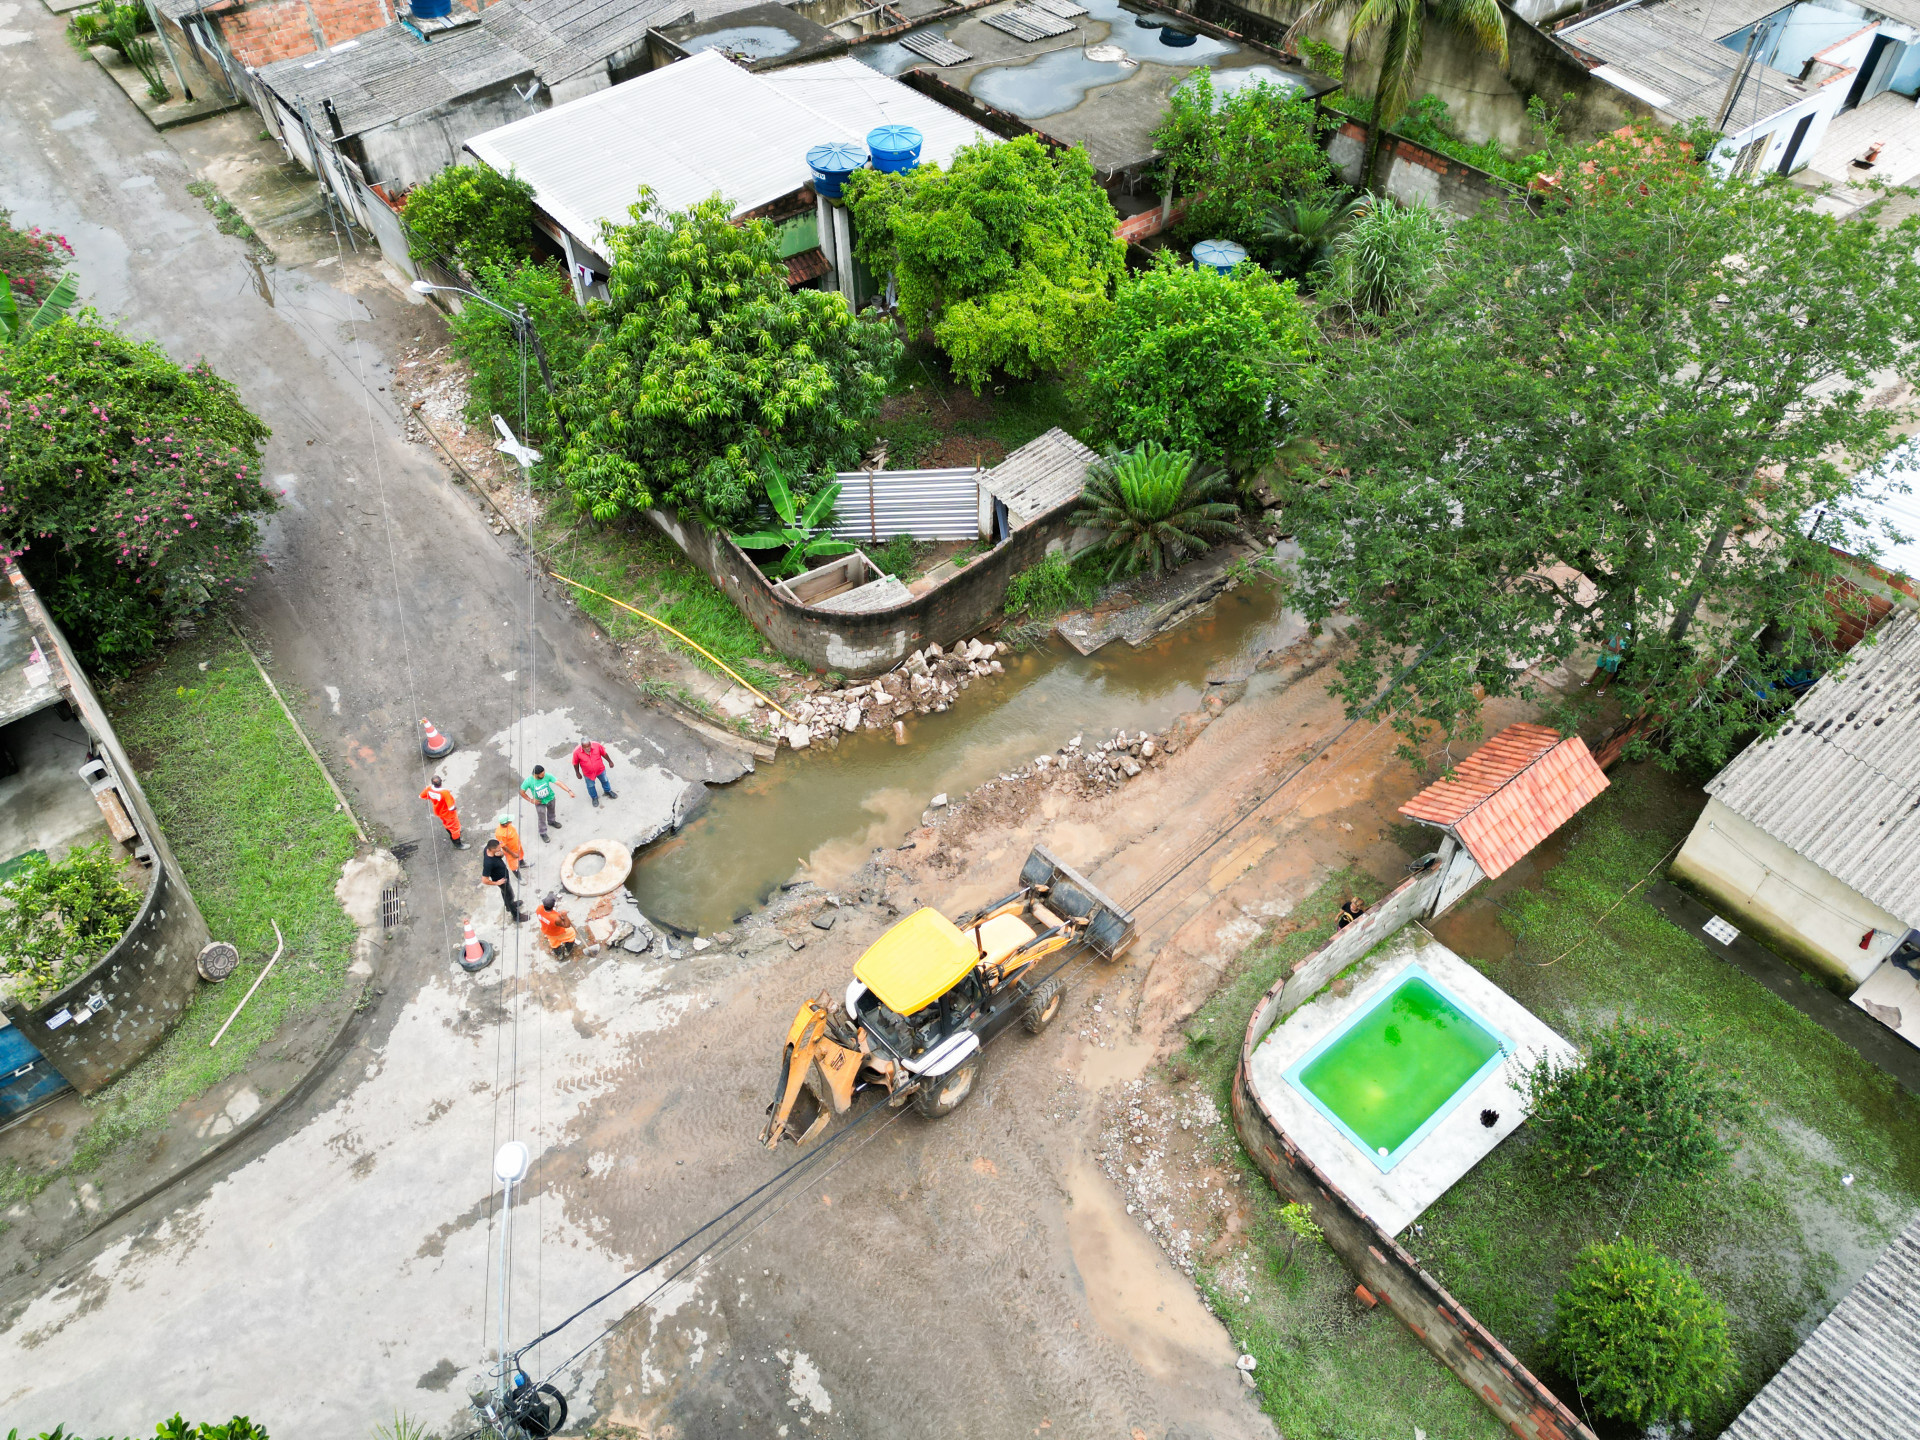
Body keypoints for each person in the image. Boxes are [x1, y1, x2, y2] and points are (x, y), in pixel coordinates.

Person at [520, 763, 573, 842]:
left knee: (552, 811)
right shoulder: (528, 781)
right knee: (541, 817)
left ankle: (552, 822)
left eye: (544, 773)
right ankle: (543, 833)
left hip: (550, 798)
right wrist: (531, 800)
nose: (544, 775)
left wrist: (569, 791)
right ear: (536, 775)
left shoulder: (547, 776)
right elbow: (522, 792)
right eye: (542, 774)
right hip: (539, 802)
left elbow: (558, 782)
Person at [481, 840, 525, 922]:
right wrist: (496, 883)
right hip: (501, 880)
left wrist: (501, 854)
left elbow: (500, 855)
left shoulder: (488, 849)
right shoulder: (488, 863)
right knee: (510, 896)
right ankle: (516, 916)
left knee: (505, 893)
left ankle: (508, 906)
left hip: (504, 876)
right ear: (493, 849)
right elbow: (484, 880)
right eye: (498, 848)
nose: (500, 848)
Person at [420, 775, 466, 849]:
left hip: (439, 811)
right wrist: (454, 807)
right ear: (441, 782)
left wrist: (433, 798)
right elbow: (451, 807)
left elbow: (421, 796)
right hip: (449, 814)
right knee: (455, 829)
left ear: (432, 783)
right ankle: (458, 844)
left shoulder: (429, 789)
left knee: (446, 824)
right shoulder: (444, 792)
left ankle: (451, 832)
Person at [571, 738, 618, 807]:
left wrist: (610, 761)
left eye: (588, 746)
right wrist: (577, 773)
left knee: (605, 780)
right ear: (582, 746)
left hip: (600, 770)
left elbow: (604, 753)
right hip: (588, 773)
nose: (587, 748)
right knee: (590, 786)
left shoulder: (597, 745)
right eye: (585, 747)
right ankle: (594, 797)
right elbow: (575, 763)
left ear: (590, 743)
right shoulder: (576, 752)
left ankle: (608, 791)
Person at [536, 893, 578, 959]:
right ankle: (567, 951)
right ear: (553, 906)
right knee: (571, 934)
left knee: (554, 943)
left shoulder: (539, 908)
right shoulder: (556, 918)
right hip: (558, 932)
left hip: (547, 931)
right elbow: (567, 925)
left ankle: (559, 955)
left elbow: (547, 915)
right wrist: (564, 915)